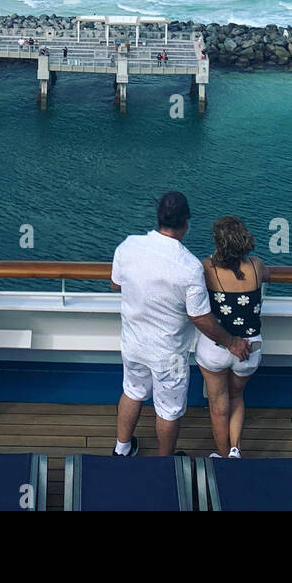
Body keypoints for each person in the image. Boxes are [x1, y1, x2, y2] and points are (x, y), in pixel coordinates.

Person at [111, 192, 249, 457]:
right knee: (168, 409)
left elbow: (116, 283)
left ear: (159, 217)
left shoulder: (128, 246)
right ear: (186, 222)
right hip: (168, 354)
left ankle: (122, 448)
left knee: (132, 391)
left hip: (133, 343)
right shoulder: (189, 266)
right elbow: (200, 317)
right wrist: (232, 342)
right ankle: (164, 462)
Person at [196, 216, 269, 458]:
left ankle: (222, 454)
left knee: (218, 404)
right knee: (237, 396)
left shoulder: (208, 268)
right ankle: (235, 449)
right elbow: (266, 273)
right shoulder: (257, 266)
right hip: (250, 348)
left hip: (216, 348)